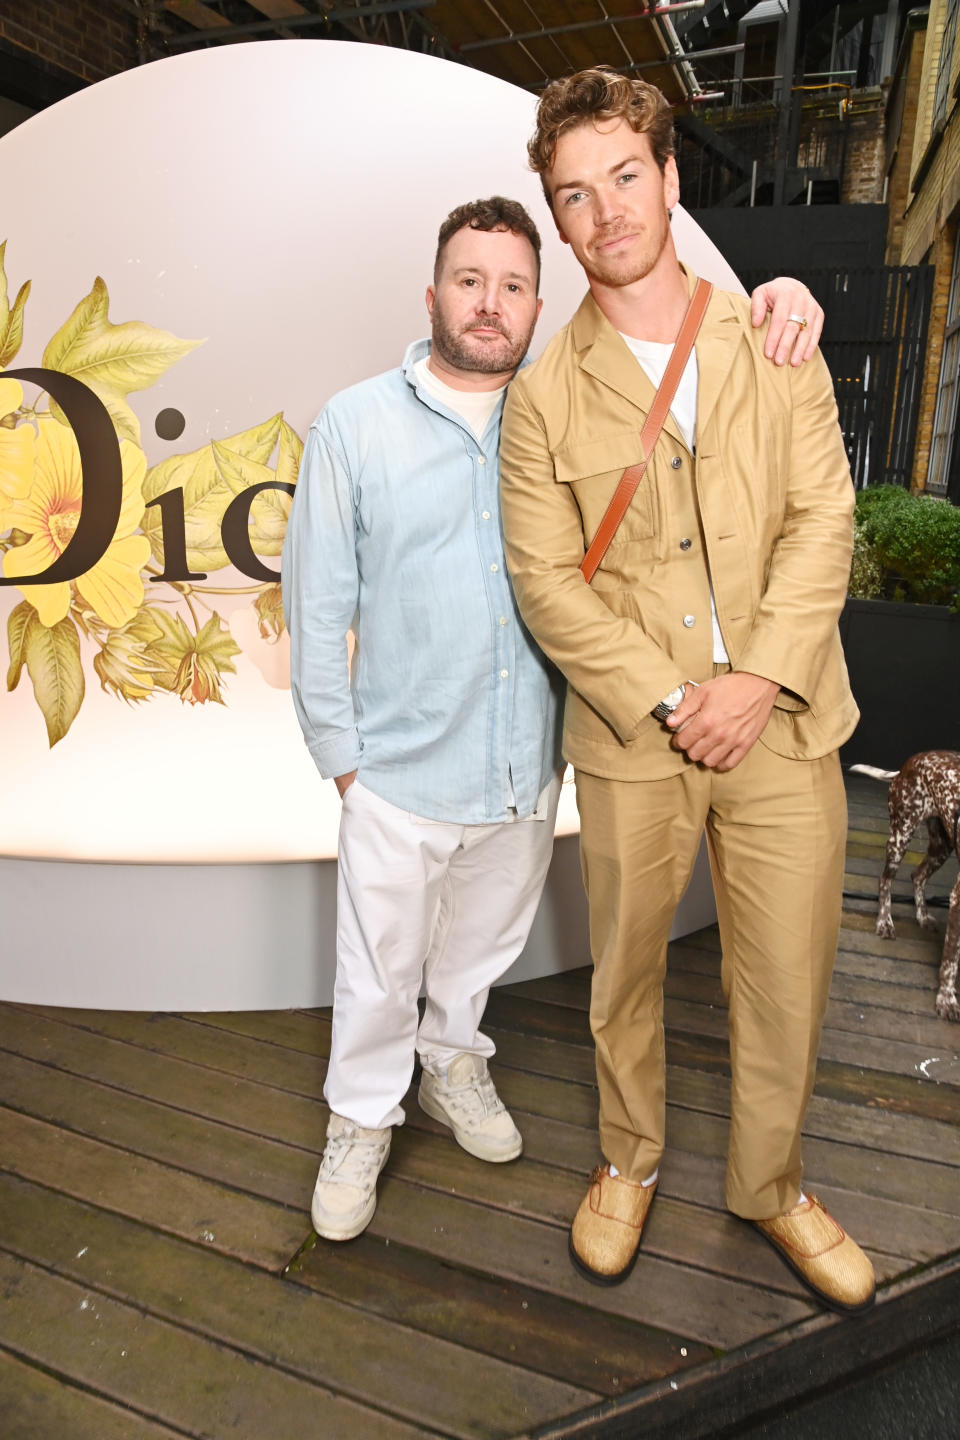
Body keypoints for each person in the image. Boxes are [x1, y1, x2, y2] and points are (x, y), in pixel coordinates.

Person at [282, 194, 827, 1245]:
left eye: (514, 285)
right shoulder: (354, 424)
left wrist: (782, 298)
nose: (491, 305)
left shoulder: (568, 407)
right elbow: (316, 606)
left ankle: (452, 1063)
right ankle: (359, 1121)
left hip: (529, 765)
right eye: (471, 280)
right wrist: (344, 761)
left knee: (477, 953)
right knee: (377, 969)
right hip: (396, 769)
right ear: (433, 291)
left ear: (541, 302)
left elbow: (705, 405)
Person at [499, 69, 875, 1315]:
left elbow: (827, 518)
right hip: (635, 736)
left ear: (669, 179)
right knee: (624, 975)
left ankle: (770, 1186)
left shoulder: (774, 334)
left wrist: (758, 676)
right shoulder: (542, 398)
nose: (604, 210)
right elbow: (547, 584)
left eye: (623, 176)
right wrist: (674, 700)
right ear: (557, 221)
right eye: (574, 193)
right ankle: (627, 1159)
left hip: (785, 716)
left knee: (787, 970)